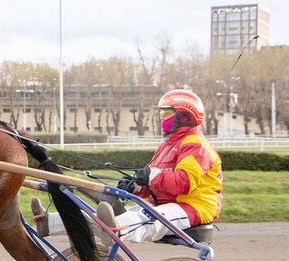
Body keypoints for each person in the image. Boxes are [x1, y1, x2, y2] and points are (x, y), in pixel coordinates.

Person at [31, 89, 223, 245]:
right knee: (116, 215)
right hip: (168, 203)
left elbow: (184, 183)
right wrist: (134, 186)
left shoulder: (195, 145)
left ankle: (118, 230)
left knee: (147, 218)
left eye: (167, 113)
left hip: (194, 207)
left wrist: (151, 177)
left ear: (184, 116)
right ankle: (51, 223)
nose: (162, 117)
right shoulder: (167, 145)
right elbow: (156, 182)